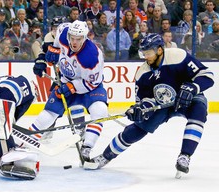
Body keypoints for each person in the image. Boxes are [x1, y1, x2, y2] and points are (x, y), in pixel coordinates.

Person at [89, 33, 214, 178]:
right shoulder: (142, 74)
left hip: (185, 98)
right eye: (143, 53)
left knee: (199, 110)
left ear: (159, 50)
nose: (145, 57)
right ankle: (106, 156)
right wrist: (140, 110)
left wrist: (193, 88)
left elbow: (208, 76)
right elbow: (144, 102)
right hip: (161, 104)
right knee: (138, 128)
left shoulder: (178, 56)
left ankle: (184, 156)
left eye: (148, 53)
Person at [30, 20, 108, 162]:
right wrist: (44, 57)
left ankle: (87, 147)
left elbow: (92, 83)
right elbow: (54, 47)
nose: (74, 42)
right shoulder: (62, 32)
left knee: (100, 110)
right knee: (50, 112)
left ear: (85, 37)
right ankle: (28, 140)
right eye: (72, 38)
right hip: (65, 79)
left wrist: (71, 87)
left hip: (88, 87)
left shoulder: (92, 56)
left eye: (78, 39)